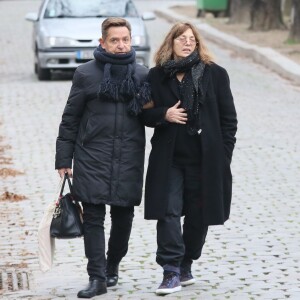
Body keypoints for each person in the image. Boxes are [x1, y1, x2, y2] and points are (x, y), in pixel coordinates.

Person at [55, 17, 151, 299]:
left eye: (125, 40)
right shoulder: (86, 74)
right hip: (92, 156)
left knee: (124, 218)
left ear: (131, 40)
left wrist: (167, 114)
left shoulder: (143, 75)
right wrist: (64, 159)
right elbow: (70, 118)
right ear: (102, 42)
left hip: (129, 157)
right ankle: (96, 277)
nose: (121, 46)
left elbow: (151, 117)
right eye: (114, 40)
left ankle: (112, 265)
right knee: (94, 218)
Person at [142, 22, 238, 295]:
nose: (187, 43)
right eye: (181, 39)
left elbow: (228, 120)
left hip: (205, 160)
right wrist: (164, 114)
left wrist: (223, 156)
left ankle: (186, 262)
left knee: (199, 215)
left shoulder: (215, 74)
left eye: (191, 39)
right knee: (169, 211)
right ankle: (170, 270)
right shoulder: (156, 76)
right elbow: (143, 114)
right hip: (169, 158)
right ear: (170, 43)